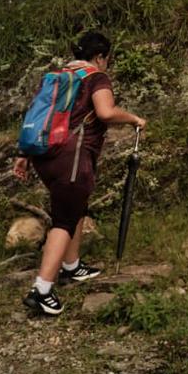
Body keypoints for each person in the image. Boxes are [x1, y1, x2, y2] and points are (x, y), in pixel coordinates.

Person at [13, 32, 147, 316]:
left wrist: (23, 154)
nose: (107, 64)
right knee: (64, 219)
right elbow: (106, 112)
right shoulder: (96, 77)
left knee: (75, 208)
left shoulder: (58, 76)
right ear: (100, 57)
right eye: (107, 59)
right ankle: (42, 290)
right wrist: (134, 119)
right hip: (71, 154)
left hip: (44, 154)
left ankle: (72, 267)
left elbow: (37, 115)